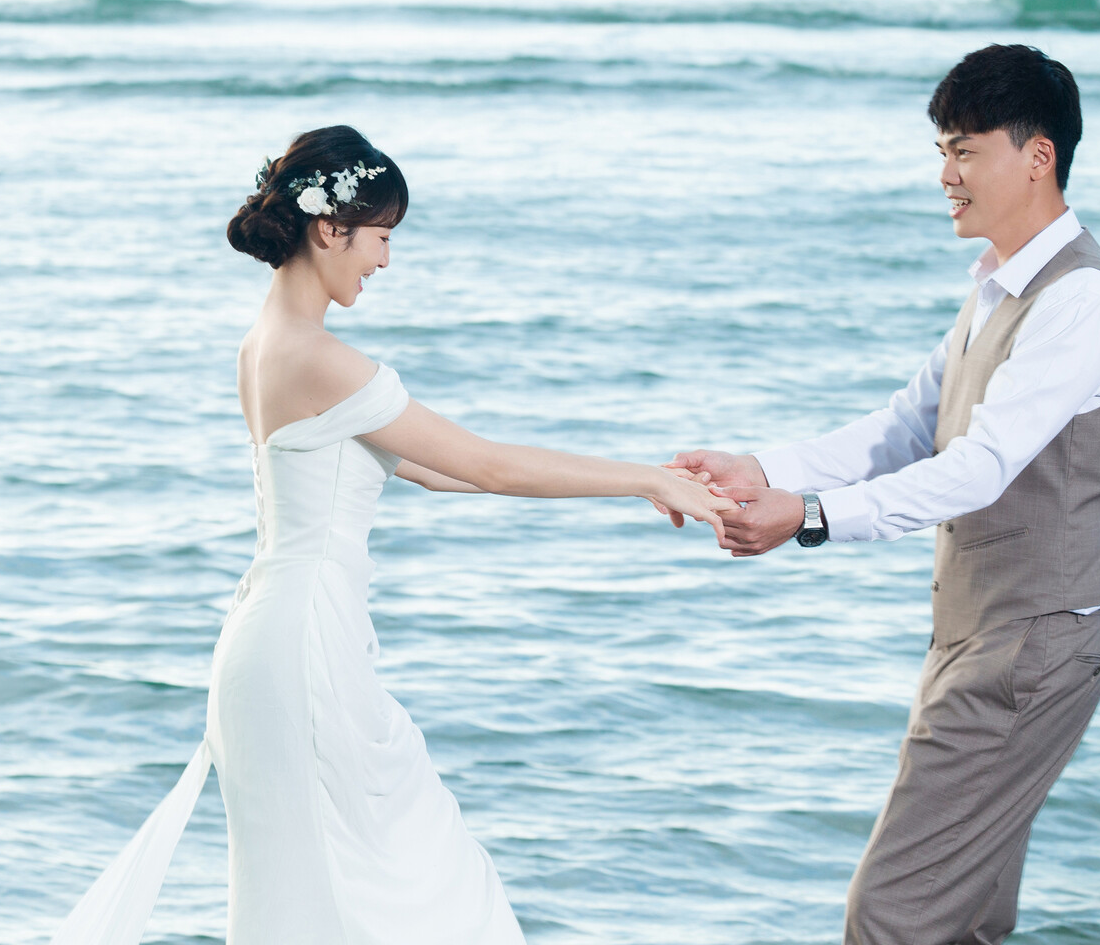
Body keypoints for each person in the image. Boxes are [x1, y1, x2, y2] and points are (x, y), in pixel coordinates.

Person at [51, 124, 734, 945]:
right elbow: (488, 465)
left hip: (274, 637)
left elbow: (435, 471)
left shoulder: (263, 347)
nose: (385, 260)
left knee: (332, 885)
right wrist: (648, 479)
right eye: (380, 236)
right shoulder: (322, 360)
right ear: (328, 228)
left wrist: (636, 481)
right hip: (302, 645)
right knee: (402, 877)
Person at [673, 44, 1100, 945]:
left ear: (1037, 156)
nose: (945, 176)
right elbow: (907, 428)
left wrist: (809, 519)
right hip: (985, 638)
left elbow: (978, 467)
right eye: (942, 152)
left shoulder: (1078, 299)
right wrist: (762, 470)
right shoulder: (997, 286)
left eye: (965, 151)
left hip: (1028, 649)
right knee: (965, 922)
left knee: (890, 915)